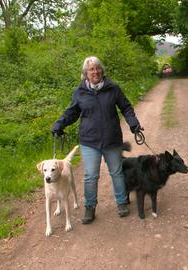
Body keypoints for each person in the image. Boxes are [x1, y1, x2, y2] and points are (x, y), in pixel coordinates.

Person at [51, 56, 142, 224]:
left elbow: (126, 107)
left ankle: (122, 202)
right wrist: (59, 124)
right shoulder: (80, 92)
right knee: (91, 176)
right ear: (85, 73)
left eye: (98, 68)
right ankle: (90, 207)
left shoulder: (113, 88)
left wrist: (134, 124)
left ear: (102, 70)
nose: (95, 72)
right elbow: (71, 112)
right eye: (91, 69)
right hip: (89, 141)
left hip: (112, 139)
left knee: (116, 172)